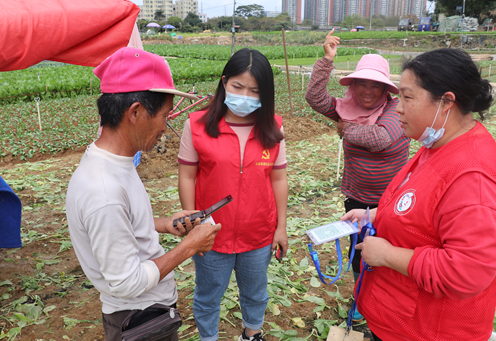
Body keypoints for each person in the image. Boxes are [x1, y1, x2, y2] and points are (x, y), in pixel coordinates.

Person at [66, 47, 221, 341]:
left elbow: (122, 224)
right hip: (139, 318)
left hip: (143, 311)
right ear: (135, 112)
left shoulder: (113, 163)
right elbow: (126, 282)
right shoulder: (104, 190)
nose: (166, 125)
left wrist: (163, 224)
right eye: (165, 115)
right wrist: (189, 246)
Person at [343, 48, 496, 341]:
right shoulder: (438, 145)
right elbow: (425, 208)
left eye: (407, 97)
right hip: (399, 317)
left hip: (428, 330)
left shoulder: (472, 174)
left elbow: (467, 272)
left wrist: (387, 255)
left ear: (446, 102)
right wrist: (375, 214)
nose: (398, 108)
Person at [177, 48, 288, 341]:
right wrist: (193, 223)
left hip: (259, 234)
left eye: (255, 91)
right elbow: (187, 176)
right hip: (211, 234)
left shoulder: (273, 128)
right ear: (224, 82)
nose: (246, 96)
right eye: (238, 87)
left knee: (255, 292)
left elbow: (278, 178)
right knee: (208, 295)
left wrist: (282, 228)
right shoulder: (197, 125)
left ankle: (252, 335)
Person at [305, 30, 410, 320]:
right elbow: (314, 97)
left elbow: (382, 138)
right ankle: (362, 300)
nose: (367, 91)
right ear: (353, 85)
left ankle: (390, 304)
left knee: (391, 255)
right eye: (361, 83)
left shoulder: (395, 110)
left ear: (385, 89)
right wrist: (327, 59)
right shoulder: (347, 108)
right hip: (357, 201)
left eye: (375, 85)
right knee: (361, 253)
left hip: (393, 201)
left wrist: (345, 128)